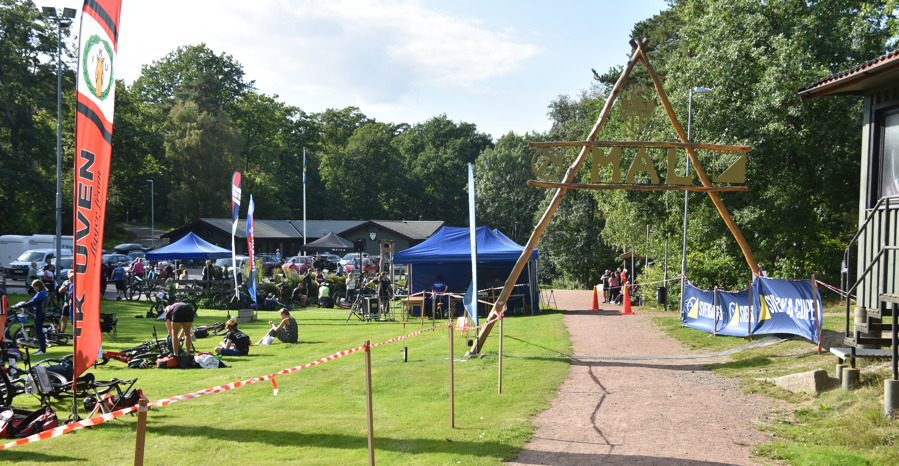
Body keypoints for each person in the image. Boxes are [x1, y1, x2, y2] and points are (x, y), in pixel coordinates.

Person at [14, 280, 49, 354]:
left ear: (38, 286)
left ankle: (43, 350)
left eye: (34, 287)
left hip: (39, 314)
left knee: (39, 332)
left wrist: (20, 306)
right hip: (40, 313)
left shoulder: (41, 293)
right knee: (39, 332)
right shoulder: (42, 292)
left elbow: (32, 302)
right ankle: (42, 349)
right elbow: (32, 301)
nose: (34, 289)